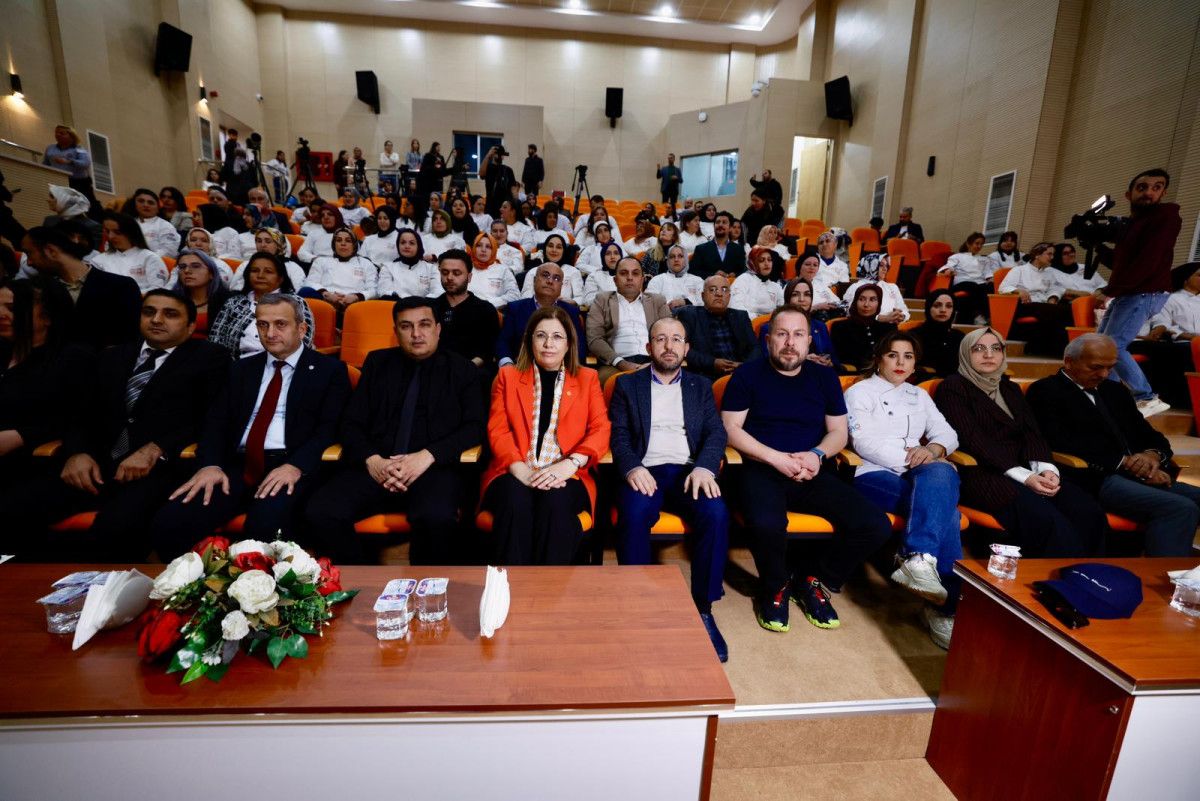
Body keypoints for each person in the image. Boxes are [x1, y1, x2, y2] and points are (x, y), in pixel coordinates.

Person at [0, 290, 228, 561]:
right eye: (149, 312)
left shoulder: (210, 358)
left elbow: (210, 418)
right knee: (13, 507)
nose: (156, 319)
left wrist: (158, 448)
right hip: (96, 467)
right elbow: (81, 413)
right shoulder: (112, 356)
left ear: (190, 326)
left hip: (158, 471)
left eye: (170, 314)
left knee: (118, 526)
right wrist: (77, 452)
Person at [722, 306, 893, 631]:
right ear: (768, 339)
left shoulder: (824, 377)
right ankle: (775, 586)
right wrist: (776, 458)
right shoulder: (747, 375)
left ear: (809, 341)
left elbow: (838, 432)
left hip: (811, 471)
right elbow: (730, 429)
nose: (790, 342)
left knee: (875, 525)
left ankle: (812, 578)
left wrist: (816, 455)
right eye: (782, 334)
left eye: (798, 334)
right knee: (767, 524)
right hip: (761, 469)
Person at [150, 294, 351, 560]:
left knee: (265, 527)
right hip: (236, 465)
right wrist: (210, 465)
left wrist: (296, 466)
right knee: (171, 521)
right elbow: (215, 423)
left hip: (289, 464)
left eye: (280, 324)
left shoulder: (330, 370)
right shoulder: (240, 369)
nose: (270, 333)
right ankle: (194, 583)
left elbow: (329, 428)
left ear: (301, 329)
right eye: (262, 325)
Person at [305, 297, 485, 565]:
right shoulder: (377, 363)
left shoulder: (462, 369)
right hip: (377, 466)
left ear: (438, 328)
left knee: (435, 517)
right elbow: (350, 422)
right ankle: (360, 581)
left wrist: (427, 456)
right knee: (321, 510)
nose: (416, 334)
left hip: (432, 468)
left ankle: (425, 587)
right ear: (395, 331)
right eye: (406, 326)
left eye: (424, 324)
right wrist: (373, 460)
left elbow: (475, 427)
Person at [610, 317, 730, 660]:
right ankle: (635, 604)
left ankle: (703, 609)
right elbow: (619, 435)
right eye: (661, 339)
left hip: (689, 471)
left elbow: (716, 433)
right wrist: (633, 467)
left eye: (676, 339)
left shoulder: (700, 385)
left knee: (716, 513)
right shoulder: (627, 384)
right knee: (633, 513)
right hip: (645, 469)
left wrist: (705, 467)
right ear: (649, 347)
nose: (668, 346)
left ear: (686, 348)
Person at [934, 327, 1107, 557]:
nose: (988, 355)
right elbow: (973, 440)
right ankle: (1060, 577)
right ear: (965, 353)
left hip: (1027, 469)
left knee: (1088, 512)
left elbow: (1032, 433)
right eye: (979, 349)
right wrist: (1025, 477)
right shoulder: (953, 387)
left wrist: (1045, 468)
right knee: (1050, 523)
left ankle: (1094, 575)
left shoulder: (1010, 388)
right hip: (983, 473)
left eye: (996, 348)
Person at [1026, 333, 1200, 556]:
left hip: (1137, 474)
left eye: (1110, 367)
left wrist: (1152, 456)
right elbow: (1061, 443)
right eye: (1096, 367)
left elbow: (1150, 435)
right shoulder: (1045, 391)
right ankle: (1164, 574)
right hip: (1093, 477)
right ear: (1069, 362)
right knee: (1180, 508)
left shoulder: (1115, 390)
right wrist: (1128, 464)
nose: (1104, 374)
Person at [845, 332, 962, 648]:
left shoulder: (919, 395)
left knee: (942, 475)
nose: (900, 362)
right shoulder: (859, 392)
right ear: (879, 359)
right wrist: (918, 460)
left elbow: (947, 434)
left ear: (915, 363)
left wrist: (933, 450)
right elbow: (864, 443)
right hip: (873, 473)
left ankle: (918, 560)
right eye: (892, 355)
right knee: (948, 513)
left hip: (919, 473)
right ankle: (944, 608)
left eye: (908, 356)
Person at [481, 305, 610, 564]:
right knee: (515, 500)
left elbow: (601, 428)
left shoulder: (587, 378)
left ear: (568, 343)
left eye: (557, 336)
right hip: (513, 469)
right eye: (541, 335)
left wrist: (570, 464)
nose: (548, 344)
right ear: (530, 340)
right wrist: (520, 469)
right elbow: (498, 430)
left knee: (555, 502)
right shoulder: (508, 376)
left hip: (568, 473)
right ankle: (512, 584)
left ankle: (548, 586)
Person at [1092, 169, 1181, 417]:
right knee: (1103, 345)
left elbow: (1147, 263)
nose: (1149, 192)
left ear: (1163, 192)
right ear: (1129, 194)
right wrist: (1096, 245)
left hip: (1144, 291)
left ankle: (1146, 397)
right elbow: (1121, 264)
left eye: (1156, 187)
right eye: (1142, 187)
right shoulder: (1134, 224)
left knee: (1113, 346)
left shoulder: (1165, 217)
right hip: (1133, 291)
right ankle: (1107, 395)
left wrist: (1109, 291)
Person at [0, 275, 91, 486]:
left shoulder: (73, 358)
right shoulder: (3, 350)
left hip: (34, 464)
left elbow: (80, 420)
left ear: (48, 317)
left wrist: (22, 436)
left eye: (12, 308)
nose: (1, 314)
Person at [21, 224, 141, 350]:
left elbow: (128, 341)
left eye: (29, 254)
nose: (28, 262)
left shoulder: (121, 287)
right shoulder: (39, 290)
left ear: (51, 251)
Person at [210, 252, 314, 358]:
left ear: (280, 278)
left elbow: (304, 339)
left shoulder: (294, 302)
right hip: (235, 363)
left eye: (268, 272)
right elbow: (216, 337)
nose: (260, 276)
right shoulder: (234, 302)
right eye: (255, 271)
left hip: (282, 362)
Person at [585, 258, 672, 383]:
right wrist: (621, 363)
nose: (630, 278)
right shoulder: (602, 300)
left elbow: (670, 334)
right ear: (615, 280)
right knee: (606, 380)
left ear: (642, 279)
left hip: (654, 361)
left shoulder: (657, 301)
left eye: (635, 273)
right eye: (624, 273)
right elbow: (595, 339)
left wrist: (656, 362)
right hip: (616, 364)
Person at [498, 263, 585, 367]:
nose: (550, 281)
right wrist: (507, 364)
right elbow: (503, 342)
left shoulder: (571, 311)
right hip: (521, 368)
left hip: (560, 369)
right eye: (545, 275)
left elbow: (579, 346)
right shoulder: (515, 308)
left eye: (556, 278)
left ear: (561, 287)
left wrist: (565, 368)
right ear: (534, 280)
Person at [431, 248, 502, 370]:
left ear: (469, 277)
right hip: (433, 371)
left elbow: (487, 351)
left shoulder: (485, 310)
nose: (449, 277)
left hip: (471, 372)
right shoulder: (430, 308)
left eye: (456, 273)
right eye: (445, 272)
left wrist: (464, 370)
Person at [676, 276, 759, 380]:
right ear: (703, 296)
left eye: (724, 289)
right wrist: (712, 363)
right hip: (706, 376)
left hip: (741, 374)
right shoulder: (690, 315)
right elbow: (682, 349)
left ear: (729, 296)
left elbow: (755, 348)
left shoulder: (740, 316)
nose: (719, 294)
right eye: (712, 289)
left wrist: (743, 366)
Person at [998, 241, 1071, 356]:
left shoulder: (1048, 273)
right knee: (1061, 311)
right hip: (1024, 305)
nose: (1052, 257)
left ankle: (1056, 349)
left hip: (1042, 305)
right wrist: (1019, 291)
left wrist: (1053, 297)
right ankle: (1054, 350)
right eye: (1049, 254)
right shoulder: (1019, 270)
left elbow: (1055, 289)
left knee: (1067, 309)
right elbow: (1003, 288)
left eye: (1053, 254)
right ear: (1037, 255)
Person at [300, 227, 378, 316]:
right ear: (334, 244)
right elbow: (310, 282)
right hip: (326, 302)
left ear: (354, 245)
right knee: (305, 291)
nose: (343, 244)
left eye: (348, 241)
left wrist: (356, 297)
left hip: (355, 305)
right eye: (339, 240)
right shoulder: (321, 261)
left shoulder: (366, 264)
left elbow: (374, 290)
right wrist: (326, 294)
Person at [761, 278, 837, 369]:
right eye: (795, 295)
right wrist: (803, 359)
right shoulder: (769, 328)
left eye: (807, 294)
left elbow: (834, 359)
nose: (802, 299)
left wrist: (829, 363)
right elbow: (765, 362)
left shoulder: (820, 326)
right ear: (787, 298)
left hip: (819, 373)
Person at [93, 212, 169, 293]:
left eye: (117, 232)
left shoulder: (150, 258)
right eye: (107, 232)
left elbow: (158, 289)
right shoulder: (97, 260)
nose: (111, 236)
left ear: (131, 232)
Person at [831, 284, 897, 372]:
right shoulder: (840, 327)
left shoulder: (889, 328)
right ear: (855, 301)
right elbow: (838, 359)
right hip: (851, 375)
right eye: (861, 299)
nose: (866, 304)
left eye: (872, 300)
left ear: (879, 303)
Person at [169, 249, 229, 338]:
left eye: (196, 266)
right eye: (182, 267)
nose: (187, 271)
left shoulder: (228, 302)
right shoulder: (170, 299)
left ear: (211, 273)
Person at [937, 232, 995, 325]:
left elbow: (987, 273)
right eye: (977, 243)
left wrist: (991, 279)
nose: (979, 246)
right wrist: (948, 270)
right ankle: (980, 315)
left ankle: (987, 316)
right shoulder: (957, 256)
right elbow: (948, 266)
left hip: (979, 284)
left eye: (981, 244)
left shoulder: (985, 259)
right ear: (968, 244)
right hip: (962, 283)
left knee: (990, 287)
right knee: (973, 285)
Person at [228, 228, 305, 292]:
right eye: (259, 241)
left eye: (268, 241)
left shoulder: (292, 267)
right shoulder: (245, 265)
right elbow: (234, 288)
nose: (262, 245)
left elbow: (297, 292)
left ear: (279, 245)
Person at [42, 125, 97, 211]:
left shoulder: (78, 149)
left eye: (62, 133)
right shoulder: (50, 148)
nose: (58, 135)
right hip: (58, 182)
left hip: (78, 183)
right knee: (60, 205)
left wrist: (69, 161)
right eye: (56, 132)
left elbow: (85, 163)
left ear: (71, 136)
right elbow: (45, 164)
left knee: (86, 206)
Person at [912, 289, 964, 377]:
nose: (943, 310)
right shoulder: (914, 335)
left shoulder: (959, 337)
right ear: (928, 308)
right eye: (937, 305)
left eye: (949, 306)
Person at [845, 253, 909, 323]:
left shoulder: (893, 287)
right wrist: (883, 318)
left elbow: (904, 309)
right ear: (869, 266)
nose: (885, 269)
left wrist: (902, 316)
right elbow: (852, 312)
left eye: (886, 266)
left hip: (892, 326)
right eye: (881, 265)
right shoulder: (856, 287)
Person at [378, 228, 440, 299]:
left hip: (423, 305)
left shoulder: (431, 268)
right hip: (396, 304)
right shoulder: (388, 268)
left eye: (412, 243)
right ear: (398, 246)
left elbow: (437, 292)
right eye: (403, 242)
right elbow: (384, 291)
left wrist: (421, 302)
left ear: (418, 247)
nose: (407, 246)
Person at [465, 232, 520, 308]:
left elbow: (514, 295)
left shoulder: (503, 270)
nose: (483, 250)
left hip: (493, 310)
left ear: (493, 250)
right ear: (474, 248)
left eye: (488, 247)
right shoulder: (465, 267)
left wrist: (488, 304)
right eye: (479, 245)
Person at [123, 188, 181, 258]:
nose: (146, 205)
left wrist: (144, 259)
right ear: (134, 204)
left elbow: (169, 251)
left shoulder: (165, 226)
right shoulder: (126, 224)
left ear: (158, 208)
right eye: (141, 201)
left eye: (150, 203)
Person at [690, 211, 746, 280]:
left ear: (730, 228)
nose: (720, 225)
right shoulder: (701, 249)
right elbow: (692, 271)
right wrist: (713, 274)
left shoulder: (739, 249)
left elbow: (744, 270)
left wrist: (735, 274)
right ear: (714, 226)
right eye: (717, 222)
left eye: (724, 222)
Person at [646, 244, 704, 309]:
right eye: (672, 257)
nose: (676, 259)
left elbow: (704, 302)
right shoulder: (657, 280)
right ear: (668, 261)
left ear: (686, 260)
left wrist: (685, 302)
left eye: (680, 256)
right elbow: (649, 302)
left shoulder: (697, 280)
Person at [731, 247, 784, 317]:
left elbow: (783, 308)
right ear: (752, 263)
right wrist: (758, 318)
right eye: (761, 260)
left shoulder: (775, 286)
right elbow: (735, 307)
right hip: (747, 321)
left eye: (769, 260)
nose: (766, 263)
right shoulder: (743, 279)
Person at [797, 252, 843, 321]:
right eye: (807, 264)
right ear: (799, 266)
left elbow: (837, 302)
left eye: (815, 265)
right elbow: (792, 312)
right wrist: (816, 307)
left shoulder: (821, 284)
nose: (812, 267)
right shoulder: (792, 285)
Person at [480, 146, 517, 219]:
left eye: (500, 153)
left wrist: (515, 204)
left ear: (503, 156)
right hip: (491, 204)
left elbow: (513, 189)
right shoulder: (488, 167)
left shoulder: (508, 170)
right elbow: (481, 174)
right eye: (496, 153)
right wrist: (488, 155)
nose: (498, 155)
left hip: (505, 204)